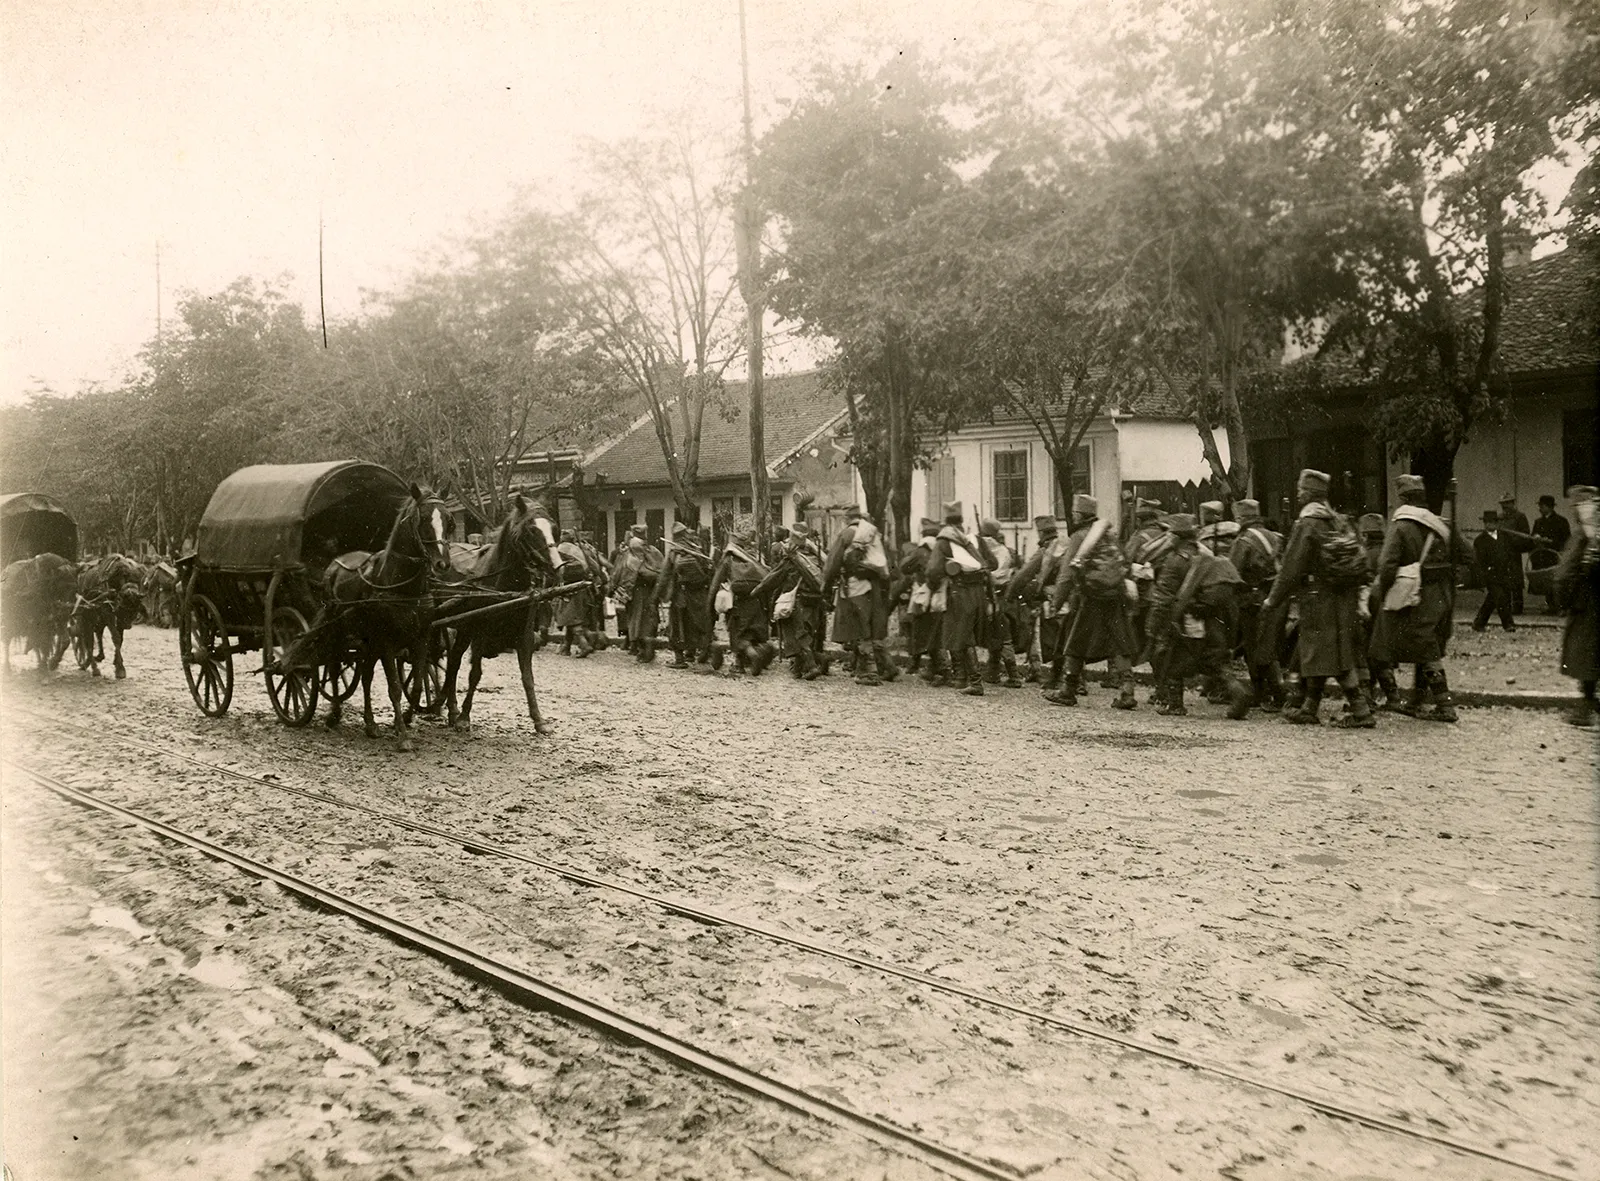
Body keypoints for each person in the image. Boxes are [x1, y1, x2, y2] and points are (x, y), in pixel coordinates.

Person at [1263, 469, 1374, 727]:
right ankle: (1309, 707)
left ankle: (1360, 711)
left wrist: (1273, 599)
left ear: (1309, 493)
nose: (1298, 494)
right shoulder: (1337, 520)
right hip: (1341, 597)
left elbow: (1292, 566)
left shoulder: (1307, 523)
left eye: (1301, 490)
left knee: (1331, 655)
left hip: (1317, 599)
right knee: (1324, 653)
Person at [1367, 474, 1472, 722]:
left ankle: (1445, 706)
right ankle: (1417, 699)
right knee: (1426, 643)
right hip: (1443, 595)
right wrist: (1453, 575)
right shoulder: (1443, 524)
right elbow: (1470, 556)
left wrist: (1383, 595)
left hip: (1414, 597)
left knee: (1414, 646)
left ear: (1402, 498)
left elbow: (1387, 565)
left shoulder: (1401, 526)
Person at [1145, 513, 1251, 718]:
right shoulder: (1204, 554)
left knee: (1172, 659)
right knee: (1215, 661)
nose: (1168, 538)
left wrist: (1153, 625)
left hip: (1185, 618)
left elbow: (1164, 596)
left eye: (1171, 534)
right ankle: (1239, 693)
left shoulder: (1175, 560)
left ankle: (1174, 704)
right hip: (1209, 617)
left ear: (1177, 537)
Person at [1044, 493, 1137, 709]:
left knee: (1076, 641)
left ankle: (1068, 689)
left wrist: (1056, 603)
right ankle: (1128, 691)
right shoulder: (1109, 534)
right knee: (1120, 641)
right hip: (1114, 595)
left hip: (1089, 597)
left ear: (1079, 514)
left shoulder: (1079, 537)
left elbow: (1066, 575)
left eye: (1075, 512)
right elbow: (1124, 562)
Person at [822, 505, 897, 686]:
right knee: (871, 627)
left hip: (855, 587)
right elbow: (888, 563)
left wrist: (826, 585)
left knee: (859, 627)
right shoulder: (873, 534)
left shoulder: (847, 534)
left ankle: (868, 673)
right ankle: (886, 666)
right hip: (875, 586)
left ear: (847, 519)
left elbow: (833, 563)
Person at [923, 500, 992, 696]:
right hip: (978, 592)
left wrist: (932, 586)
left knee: (961, 634)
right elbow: (989, 564)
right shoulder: (971, 539)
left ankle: (974, 681)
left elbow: (933, 570)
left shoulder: (944, 540)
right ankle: (961, 678)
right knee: (962, 633)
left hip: (958, 592)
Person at [755, 521, 828, 679]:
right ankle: (798, 668)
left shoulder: (791, 559)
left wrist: (757, 590)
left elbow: (774, 578)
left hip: (796, 600)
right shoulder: (814, 556)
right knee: (807, 632)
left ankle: (811, 666)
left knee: (797, 634)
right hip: (814, 600)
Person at [1230, 499, 1285, 712]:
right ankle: (1266, 692)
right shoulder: (1275, 537)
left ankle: (1273, 693)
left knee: (1256, 647)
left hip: (1252, 599)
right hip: (1276, 596)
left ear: (1241, 518)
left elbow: (1234, 571)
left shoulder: (1243, 541)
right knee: (1268, 644)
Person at [1555, 486, 1599, 726]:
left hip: (1587, 605)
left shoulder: (1584, 536)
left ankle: (1584, 710)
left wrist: (1563, 601)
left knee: (1585, 655)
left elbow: (1563, 575)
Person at [706, 523, 774, 675]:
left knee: (737, 634)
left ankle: (750, 656)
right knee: (751, 633)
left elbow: (715, 584)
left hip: (738, 603)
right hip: (757, 602)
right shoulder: (756, 558)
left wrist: (710, 606)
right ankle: (741, 662)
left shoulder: (728, 560)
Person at [1008, 514, 1062, 686]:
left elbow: (1023, 576)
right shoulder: (1066, 546)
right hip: (1071, 598)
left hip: (1051, 598)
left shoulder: (1045, 551)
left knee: (1050, 637)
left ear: (1041, 533)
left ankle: (1061, 678)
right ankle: (1038, 669)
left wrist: (1010, 595)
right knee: (1067, 636)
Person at [656, 521, 714, 670]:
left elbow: (664, 575)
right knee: (694, 623)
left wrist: (657, 595)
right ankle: (693, 652)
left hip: (680, 595)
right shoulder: (697, 549)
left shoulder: (674, 552)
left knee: (676, 625)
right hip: (699, 594)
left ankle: (680, 659)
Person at [894, 518, 945, 678]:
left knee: (918, 628)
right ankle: (931, 665)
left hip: (923, 592)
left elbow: (905, 567)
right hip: (941, 593)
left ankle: (923, 664)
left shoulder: (921, 550)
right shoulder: (942, 547)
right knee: (935, 629)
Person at [978, 518, 1024, 687]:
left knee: (1003, 636)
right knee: (997, 634)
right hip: (1000, 595)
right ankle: (993, 672)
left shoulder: (990, 548)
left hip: (995, 595)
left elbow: (993, 574)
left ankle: (1014, 676)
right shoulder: (1002, 549)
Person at [1472, 510, 1522, 632]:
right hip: (1491, 574)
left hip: (1504, 573)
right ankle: (1508, 624)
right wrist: (1483, 575)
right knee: (1500, 598)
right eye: (1488, 522)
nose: (1490, 524)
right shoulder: (1480, 540)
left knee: (1492, 599)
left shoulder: (1504, 536)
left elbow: (1510, 552)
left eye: (1493, 522)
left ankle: (1479, 623)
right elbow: (1479, 560)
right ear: (1484, 523)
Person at [553, 529, 596, 657]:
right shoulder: (578, 549)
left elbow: (556, 569)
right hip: (583, 587)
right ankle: (566, 647)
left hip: (568, 588)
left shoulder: (560, 548)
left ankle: (584, 644)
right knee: (571, 617)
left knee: (570, 617)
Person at [1531, 495, 1572, 614]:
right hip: (1543, 556)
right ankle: (1551, 606)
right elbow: (1533, 535)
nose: (1540, 508)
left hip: (1555, 555)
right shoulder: (1538, 522)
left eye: (1542, 506)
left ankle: (1561, 607)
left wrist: (1551, 541)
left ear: (1549, 507)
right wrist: (1536, 538)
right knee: (1546, 582)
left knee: (1558, 582)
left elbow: (1566, 539)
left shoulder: (1561, 521)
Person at [1498, 493, 1530, 613]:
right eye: (1502, 504)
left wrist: (1512, 540)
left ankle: (1517, 607)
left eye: (1507, 503)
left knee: (1515, 580)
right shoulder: (1500, 517)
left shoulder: (1520, 517)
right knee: (1503, 579)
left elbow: (1525, 534)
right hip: (1502, 552)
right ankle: (1505, 606)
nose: (1504, 506)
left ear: (1512, 503)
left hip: (1514, 552)